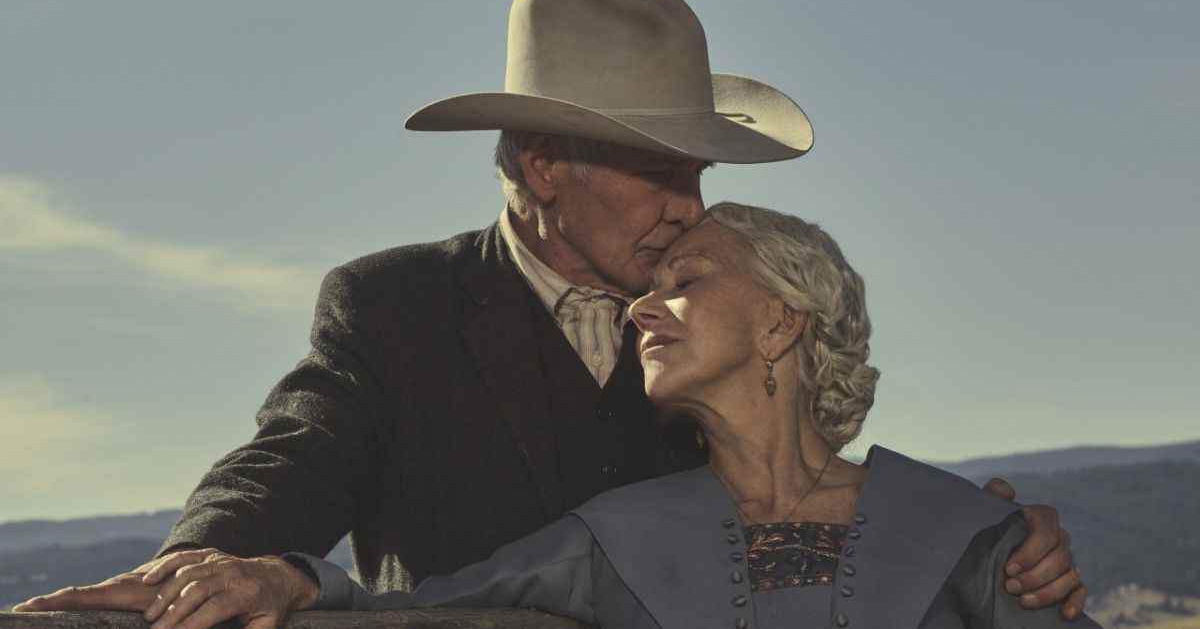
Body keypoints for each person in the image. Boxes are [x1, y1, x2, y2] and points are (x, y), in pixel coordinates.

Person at [13, 0, 1086, 621]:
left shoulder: (713, 317)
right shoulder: (395, 309)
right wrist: (206, 566)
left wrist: (988, 547)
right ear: (540, 167)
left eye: (699, 170)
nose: (688, 204)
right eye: (658, 167)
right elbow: (294, 461)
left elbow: (818, 495)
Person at [130, 203, 1101, 629]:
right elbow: (396, 601)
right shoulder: (613, 540)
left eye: (685, 282)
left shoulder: (969, 532)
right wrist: (267, 575)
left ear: (778, 324)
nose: (644, 300)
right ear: (546, 169)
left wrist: (1011, 529)